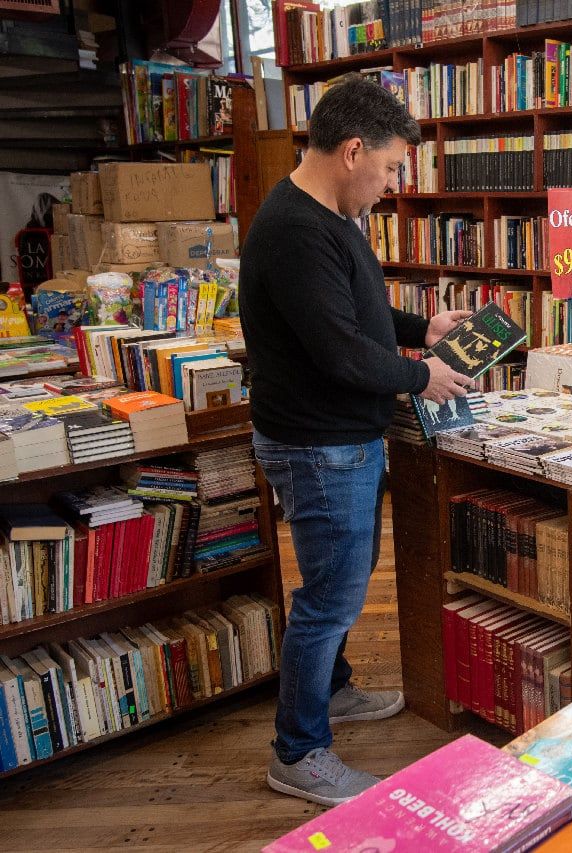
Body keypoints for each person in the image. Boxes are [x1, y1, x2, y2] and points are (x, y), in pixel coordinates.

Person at [239, 74, 474, 807]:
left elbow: (353, 313)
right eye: (393, 166)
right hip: (319, 444)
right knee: (331, 598)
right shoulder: (296, 230)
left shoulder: (329, 212)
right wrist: (420, 373)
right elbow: (341, 352)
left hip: (334, 440)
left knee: (340, 579)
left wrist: (418, 329)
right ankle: (299, 751)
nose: (395, 182)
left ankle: (331, 691)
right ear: (350, 151)